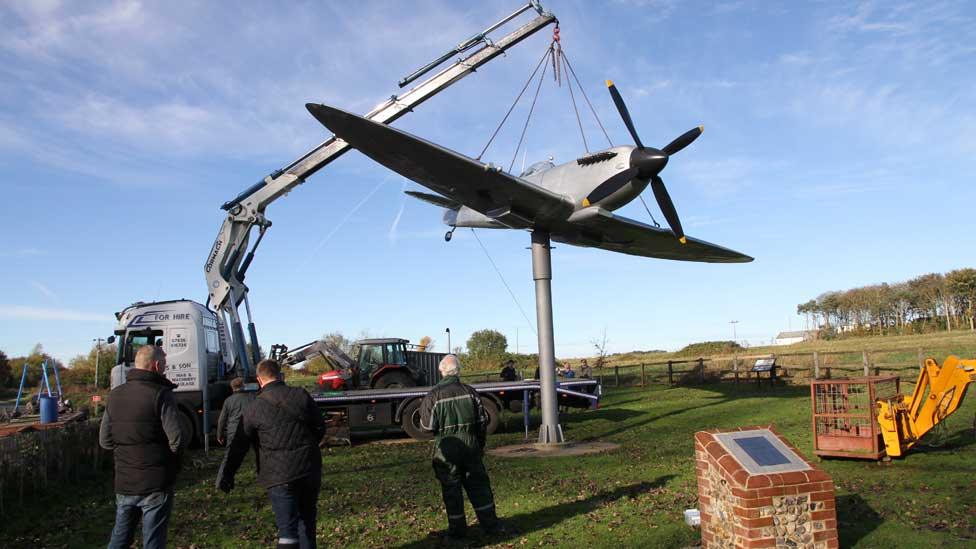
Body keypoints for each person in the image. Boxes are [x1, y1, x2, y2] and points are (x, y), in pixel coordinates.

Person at [217, 359, 325, 549]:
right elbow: (320, 427)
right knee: (307, 523)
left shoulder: (254, 407)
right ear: (280, 375)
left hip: (278, 474)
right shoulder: (301, 395)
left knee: (287, 531)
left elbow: (239, 445)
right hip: (309, 469)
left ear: (259, 380)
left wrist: (227, 474)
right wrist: (307, 447)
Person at [100, 345, 185, 549]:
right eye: (164, 364)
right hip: (156, 482)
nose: (165, 369)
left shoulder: (114, 396)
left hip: (125, 481)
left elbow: (105, 441)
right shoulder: (161, 395)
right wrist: (170, 465)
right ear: (156, 365)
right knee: (153, 541)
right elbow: (177, 440)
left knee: (120, 538)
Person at [420, 355, 500, 539]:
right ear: (459, 371)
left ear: (441, 371)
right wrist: (479, 447)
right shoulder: (471, 392)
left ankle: (457, 531)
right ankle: (491, 526)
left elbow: (426, 427)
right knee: (479, 486)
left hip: (447, 448)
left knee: (451, 489)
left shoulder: (433, 395)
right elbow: (482, 423)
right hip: (471, 446)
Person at [217, 377, 254, 446]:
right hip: (249, 430)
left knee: (232, 455)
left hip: (233, 432)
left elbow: (222, 420)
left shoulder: (228, 400)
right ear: (243, 386)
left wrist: (220, 435)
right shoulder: (251, 398)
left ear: (232, 388)